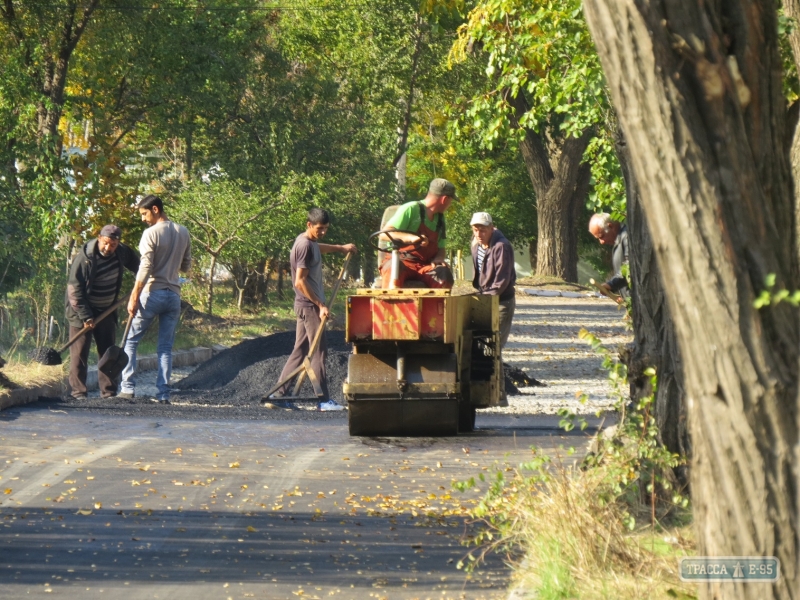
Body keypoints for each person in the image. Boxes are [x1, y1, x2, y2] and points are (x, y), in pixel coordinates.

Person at [264, 208, 357, 411]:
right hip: (309, 306)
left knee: (302, 350)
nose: (322, 232)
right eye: (319, 229)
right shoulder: (304, 245)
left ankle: (279, 395)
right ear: (309, 225)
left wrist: (340, 248)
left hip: (305, 306)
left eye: (325, 229)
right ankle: (323, 400)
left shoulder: (309, 241)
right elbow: (300, 282)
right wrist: (320, 305)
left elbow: (318, 248)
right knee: (319, 352)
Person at [120, 195, 192, 404]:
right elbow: (186, 266)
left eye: (144, 214)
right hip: (174, 296)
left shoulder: (150, 234)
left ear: (155, 209)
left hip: (152, 293)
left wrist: (134, 295)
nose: (143, 219)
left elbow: (145, 267)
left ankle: (127, 388)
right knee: (165, 347)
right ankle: (163, 394)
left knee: (131, 341)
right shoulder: (183, 231)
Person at [65, 224, 140, 400]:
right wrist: (86, 316)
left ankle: (108, 392)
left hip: (107, 309)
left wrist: (142, 282)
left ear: (118, 243)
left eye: (112, 244)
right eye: (105, 243)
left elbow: (140, 266)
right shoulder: (84, 258)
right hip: (81, 310)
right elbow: (74, 291)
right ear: (99, 238)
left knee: (108, 352)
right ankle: (78, 393)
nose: (108, 248)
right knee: (79, 354)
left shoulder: (122, 252)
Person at [379, 178, 456, 289]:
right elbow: (384, 234)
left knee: (444, 274)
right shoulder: (410, 209)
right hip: (400, 262)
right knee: (393, 268)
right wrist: (410, 237)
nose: (450, 204)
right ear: (444, 199)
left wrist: (439, 258)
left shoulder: (440, 219)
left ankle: (437, 305)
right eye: (451, 201)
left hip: (425, 266)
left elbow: (441, 248)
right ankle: (390, 303)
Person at [470, 212, 516, 349]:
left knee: (494, 348)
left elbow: (501, 281)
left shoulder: (501, 246)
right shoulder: (475, 243)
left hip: (502, 302)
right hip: (486, 300)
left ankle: (498, 371)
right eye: (475, 230)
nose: (479, 234)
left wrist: (482, 298)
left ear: (491, 228)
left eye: (483, 230)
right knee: (480, 346)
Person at [588, 213, 630, 301]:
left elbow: (629, 266)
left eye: (601, 236)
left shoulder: (626, 236)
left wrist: (611, 284)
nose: (601, 242)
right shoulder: (619, 239)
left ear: (610, 226)